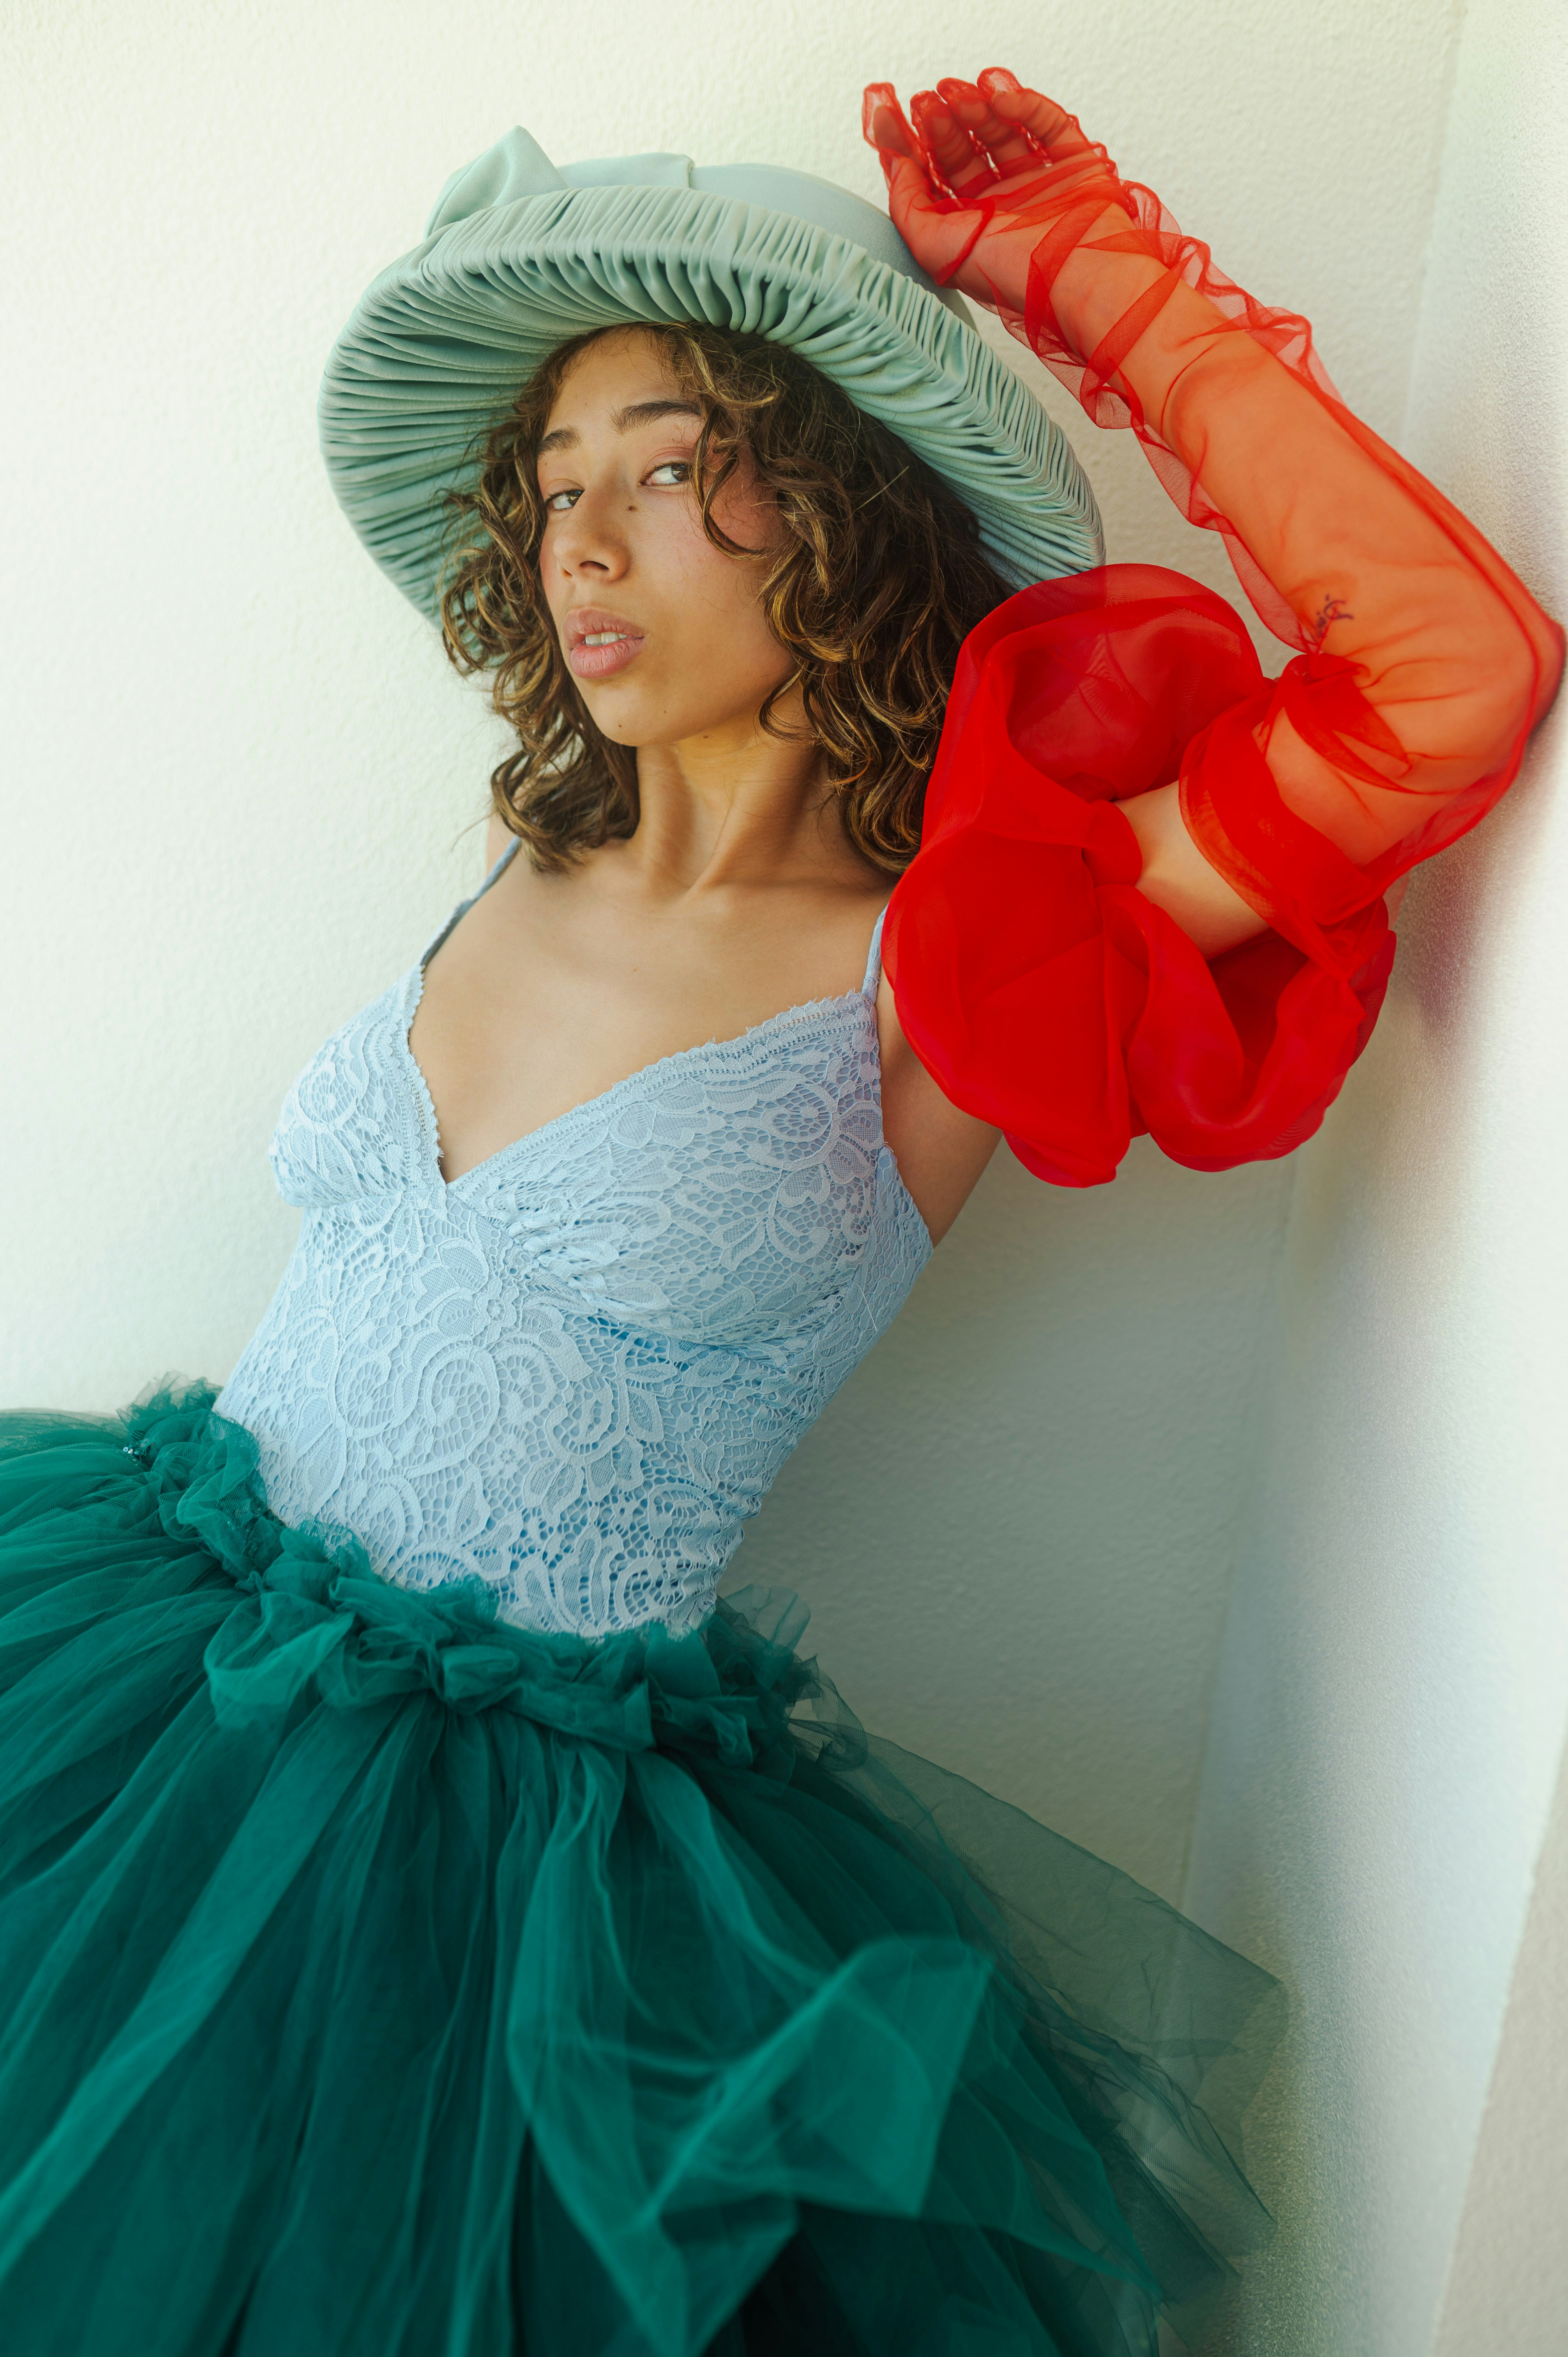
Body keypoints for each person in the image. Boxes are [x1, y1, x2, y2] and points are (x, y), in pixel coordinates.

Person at [0, 66, 1557, 2357]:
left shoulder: (960, 959)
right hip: (144, 1687)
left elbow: (1448, 676)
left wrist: (1081, 270)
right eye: (550, 490)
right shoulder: (519, 862)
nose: (583, 550)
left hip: (503, 1892)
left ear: (831, 511)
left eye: (662, 474)